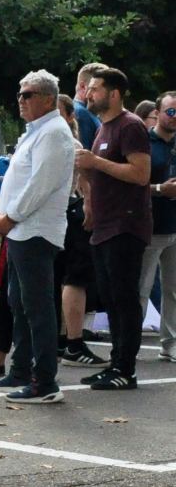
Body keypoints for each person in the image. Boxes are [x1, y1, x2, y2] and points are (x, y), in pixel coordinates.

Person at [0, 70, 78, 402]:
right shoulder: (38, 131)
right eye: (20, 94)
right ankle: (21, 369)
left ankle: (45, 381)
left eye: (28, 95)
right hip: (22, 230)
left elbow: (40, 185)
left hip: (34, 231)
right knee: (20, 303)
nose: (21, 100)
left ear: (49, 99)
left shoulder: (53, 133)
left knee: (37, 307)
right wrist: (9, 219)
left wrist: (9, 217)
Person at [75, 66, 151, 389]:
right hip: (104, 226)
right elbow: (97, 173)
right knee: (110, 298)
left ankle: (125, 369)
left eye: (95, 89)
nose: (89, 94)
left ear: (114, 94)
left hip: (126, 225)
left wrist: (95, 163)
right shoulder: (103, 128)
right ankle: (115, 363)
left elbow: (140, 174)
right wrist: (89, 199)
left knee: (124, 298)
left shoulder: (130, 126)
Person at [60, 64, 107, 367]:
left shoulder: (40, 137)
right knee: (74, 277)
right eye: (92, 88)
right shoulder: (80, 126)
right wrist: (89, 201)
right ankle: (73, 342)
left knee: (66, 277)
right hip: (68, 211)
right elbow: (86, 169)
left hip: (59, 213)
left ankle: (64, 340)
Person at [138, 91, 176, 362]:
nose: (174, 118)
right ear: (158, 112)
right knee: (141, 288)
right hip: (150, 226)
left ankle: (170, 343)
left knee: (173, 290)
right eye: (171, 112)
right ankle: (129, 344)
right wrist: (160, 189)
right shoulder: (144, 143)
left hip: (174, 227)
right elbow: (132, 184)